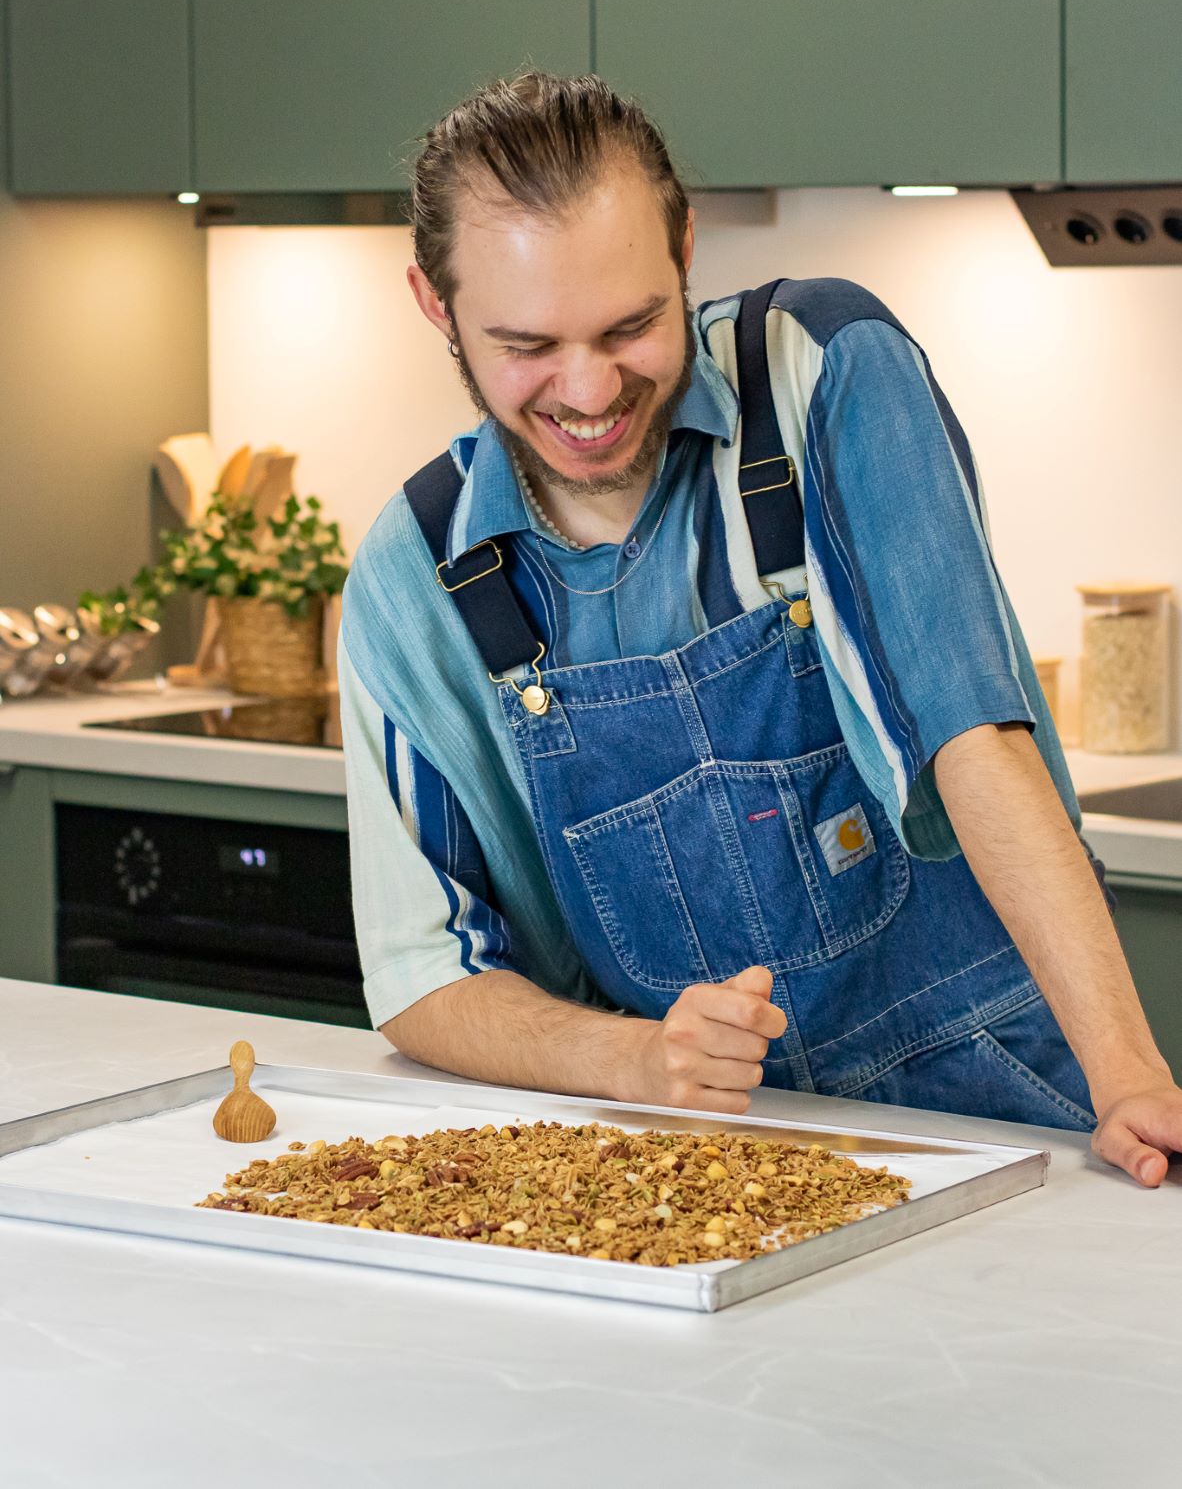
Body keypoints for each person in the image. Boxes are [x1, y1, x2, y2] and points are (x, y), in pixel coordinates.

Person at [340, 71, 1181, 1187]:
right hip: (706, 1161)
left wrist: (1127, 1076)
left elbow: (971, 738)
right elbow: (422, 974)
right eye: (527, 345)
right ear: (436, 306)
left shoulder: (818, 365)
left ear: (686, 246)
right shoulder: (416, 575)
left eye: (631, 325)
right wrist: (641, 1060)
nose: (589, 391)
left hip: (1006, 1106)